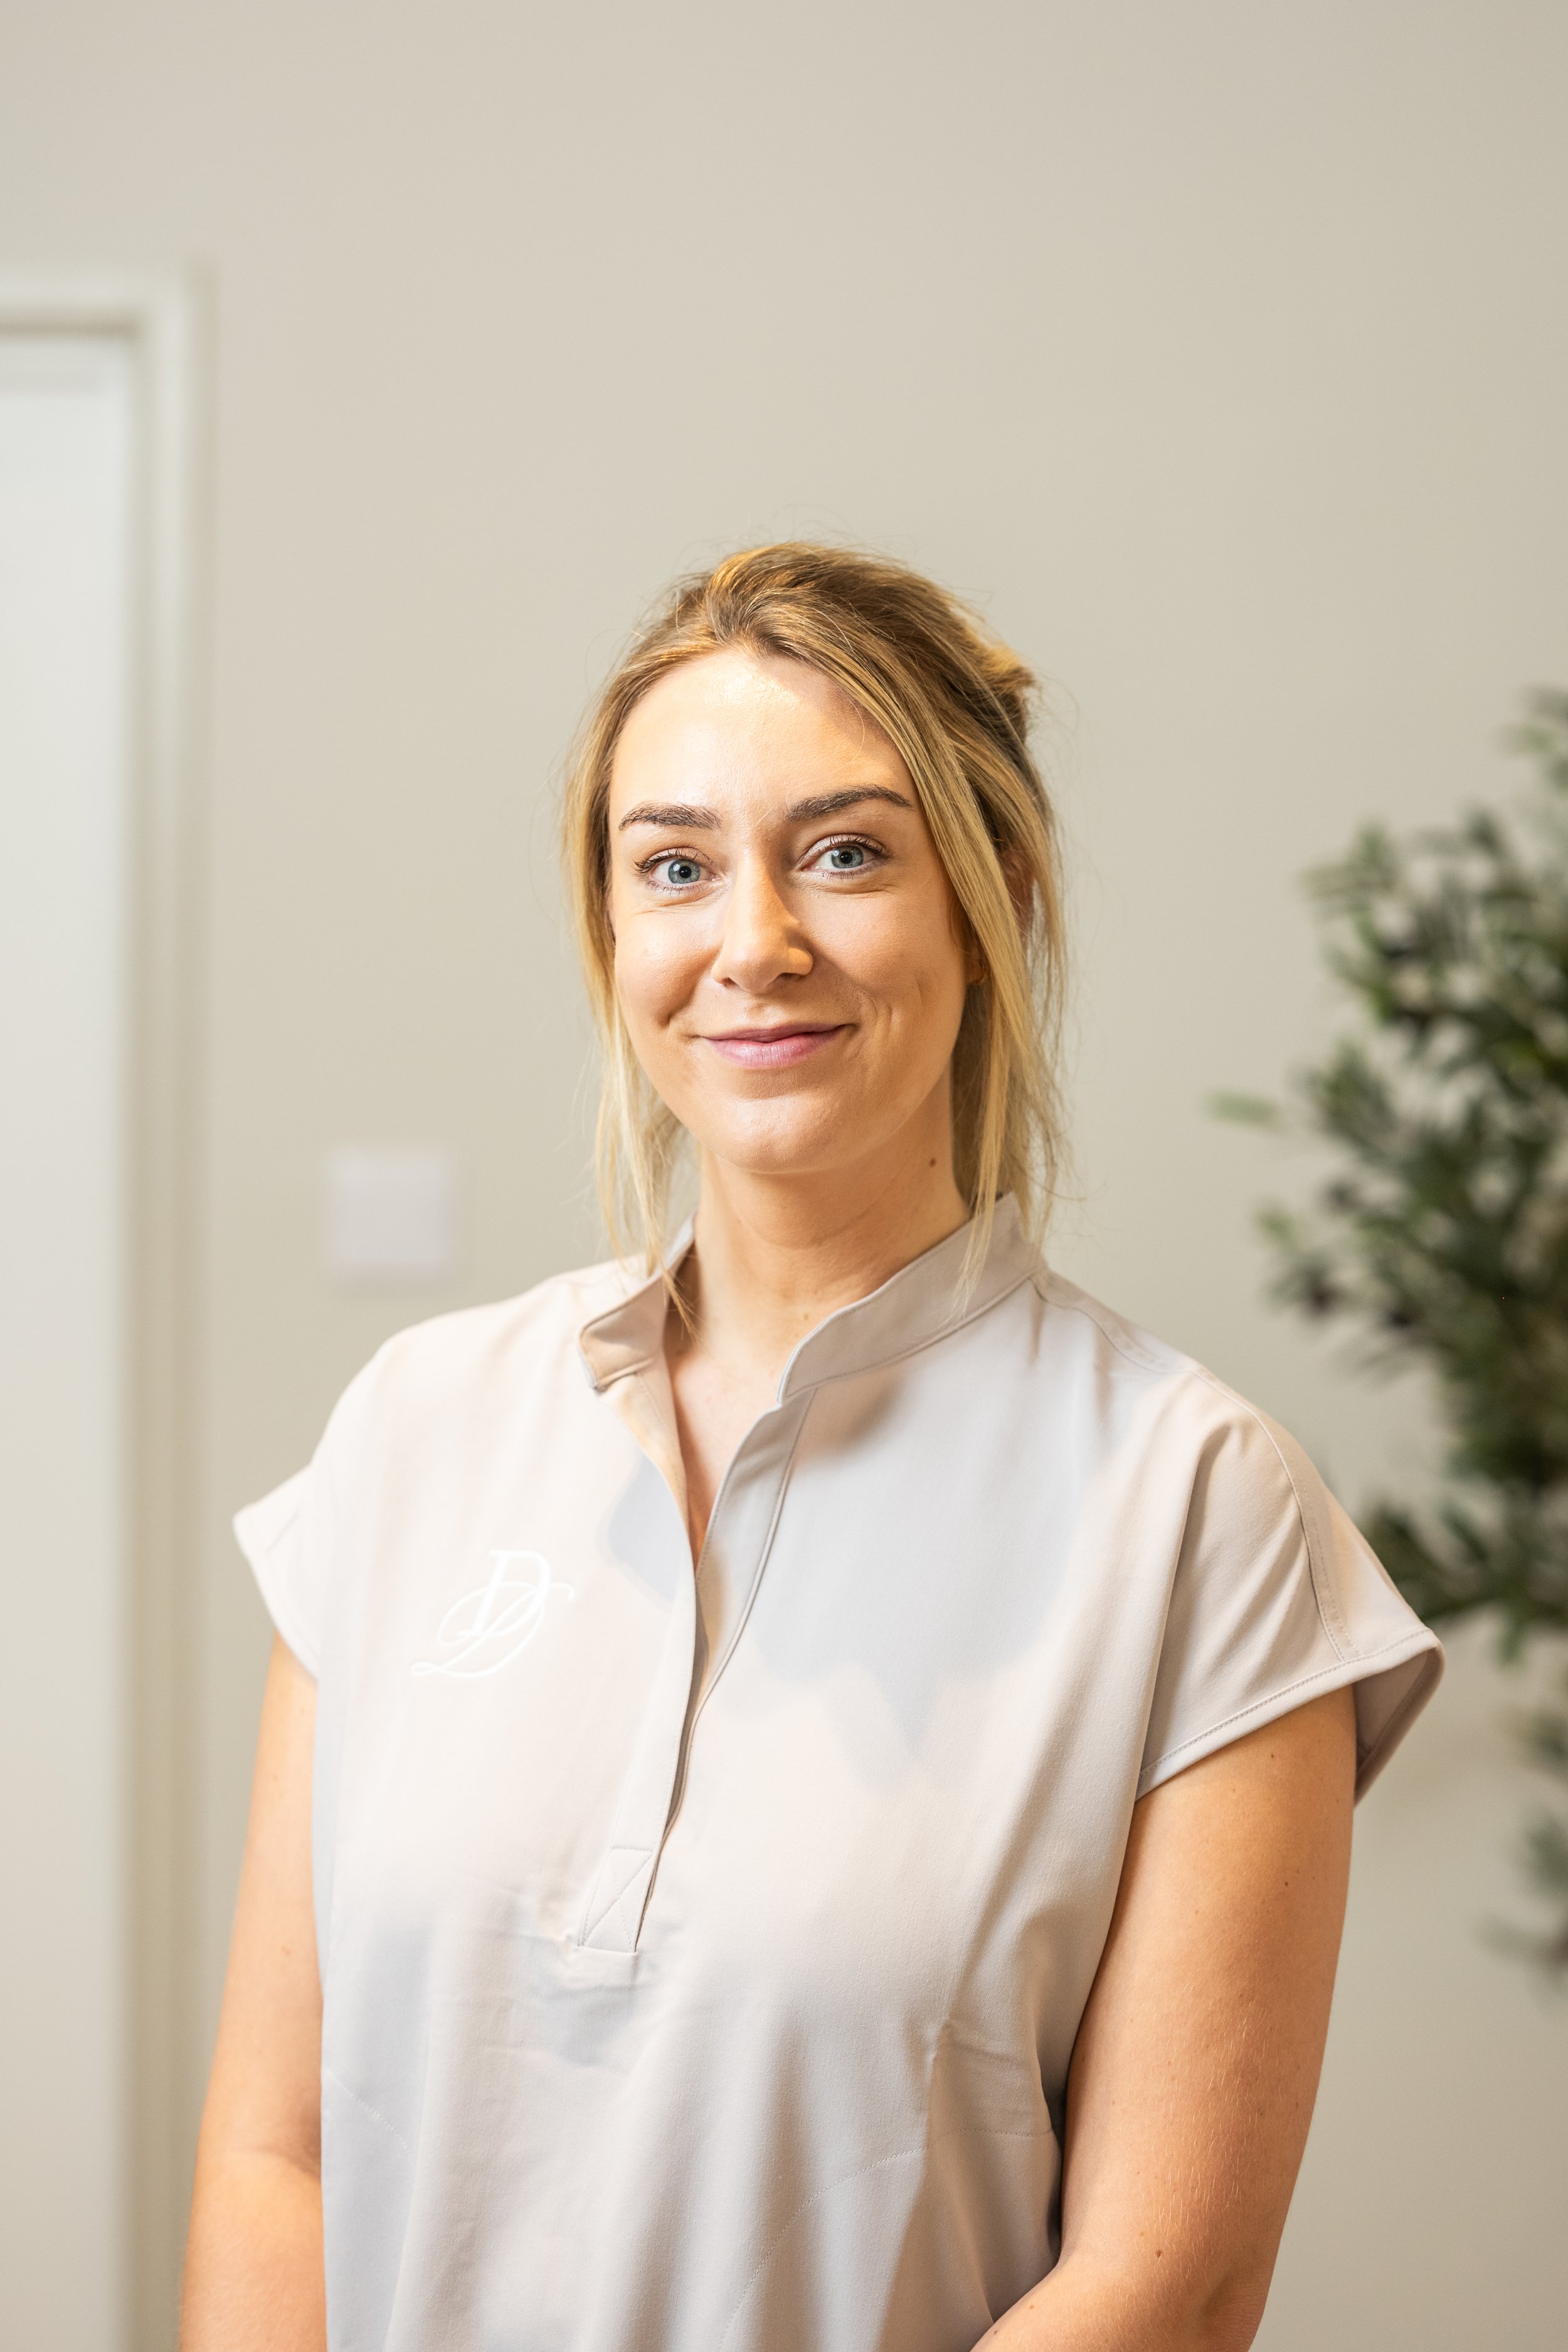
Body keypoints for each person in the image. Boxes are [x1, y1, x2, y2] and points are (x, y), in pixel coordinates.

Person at [181, 544, 1443, 2352]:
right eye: (674, 866)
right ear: (613, 930)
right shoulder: (413, 1430)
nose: (751, 940)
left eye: (845, 853)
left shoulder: (1200, 1512)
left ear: (991, 899)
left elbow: (1164, 2288)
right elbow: (276, 2158)